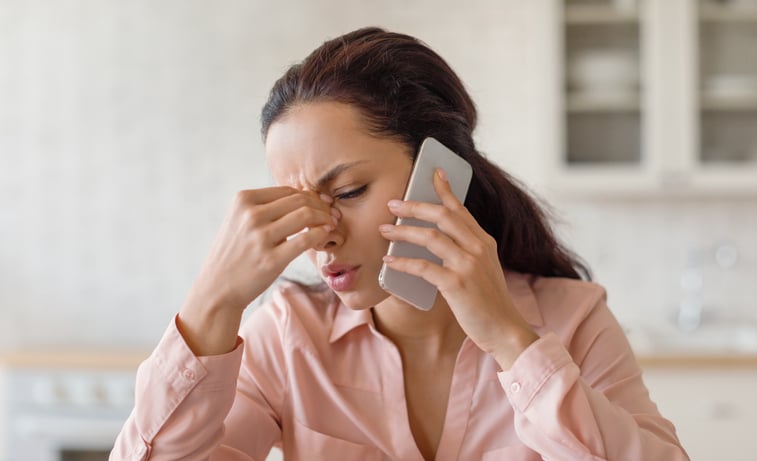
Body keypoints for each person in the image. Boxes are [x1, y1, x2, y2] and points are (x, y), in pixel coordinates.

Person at [111, 27, 688, 461]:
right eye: (298, 202)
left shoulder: (574, 320)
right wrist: (212, 301)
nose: (319, 232)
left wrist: (510, 340)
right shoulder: (289, 337)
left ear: (442, 171)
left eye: (349, 190)